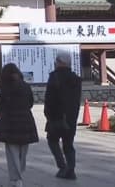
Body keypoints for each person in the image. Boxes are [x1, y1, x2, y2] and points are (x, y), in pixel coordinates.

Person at [0, 63, 39, 187]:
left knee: (12, 151)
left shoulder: (4, 87)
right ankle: (19, 173)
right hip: (26, 121)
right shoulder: (25, 86)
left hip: (9, 122)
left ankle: (16, 179)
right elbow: (31, 102)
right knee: (23, 152)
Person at [45, 52, 82, 180]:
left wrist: (48, 114)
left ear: (61, 62)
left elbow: (49, 99)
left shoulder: (54, 77)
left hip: (56, 116)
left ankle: (62, 166)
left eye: (56, 61)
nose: (55, 63)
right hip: (71, 118)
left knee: (52, 140)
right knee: (68, 145)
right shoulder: (76, 79)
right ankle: (71, 170)